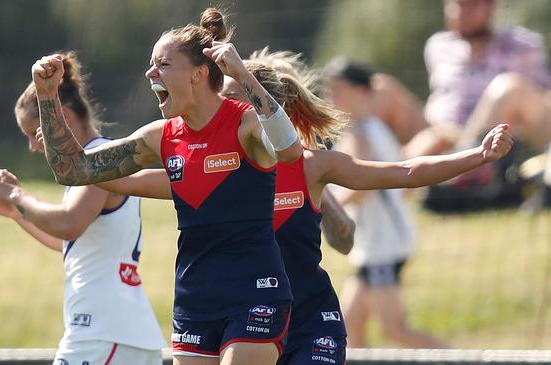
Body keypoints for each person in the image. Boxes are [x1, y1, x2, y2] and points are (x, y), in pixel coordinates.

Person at [84, 53, 513, 361]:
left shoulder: (311, 168)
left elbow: (404, 172)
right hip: (244, 323)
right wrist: (69, 151)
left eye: (234, 99)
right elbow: (114, 176)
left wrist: (478, 156)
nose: (223, 110)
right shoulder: (209, 169)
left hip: (308, 324)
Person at [30, 8, 305, 365]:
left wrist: (242, 75)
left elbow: (289, 150)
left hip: (255, 292)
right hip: (195, 298)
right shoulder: (160, 137)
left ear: (198, 74)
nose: (150, 73)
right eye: (151, 64)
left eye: (162, 64)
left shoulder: (244, 123)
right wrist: (46, 95)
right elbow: (73, 168)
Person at [0, 52, 166, 365]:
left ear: (61, 115)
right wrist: (18, 215)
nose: (33, 146)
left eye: (32, 133)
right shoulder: (92, 163)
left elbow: (69, 224)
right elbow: (70, 241)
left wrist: (15, 195)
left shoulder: (97, 160)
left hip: (103, 332)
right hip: (116, 333)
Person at [321, 58, 448, 349]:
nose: (330, 98)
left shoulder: (361, 132)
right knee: (349, 326)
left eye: (337, 90)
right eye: (328, 91)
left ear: (363, 93)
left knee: (395, 330)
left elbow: (361, 189)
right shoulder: (372, 128)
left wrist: (322, 206)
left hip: (383, 248)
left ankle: (468, 360)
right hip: (376, 247)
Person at [406, 0, 551, 157]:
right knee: (381, 88)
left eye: (472, 4)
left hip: (498, 142)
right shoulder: (438, 46)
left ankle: (468, 161)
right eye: (458, 4)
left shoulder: (523, 47)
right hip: (441, 134)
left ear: (492, 6)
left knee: (508, 87)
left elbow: (543, 100)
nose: (462, 12)